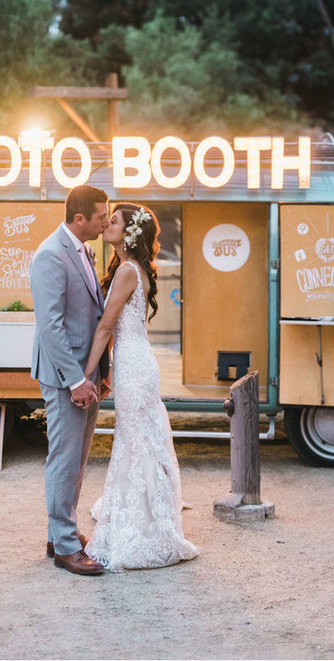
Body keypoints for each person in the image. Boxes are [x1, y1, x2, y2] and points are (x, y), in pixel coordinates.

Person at [83, 203, 200, 571]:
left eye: (113, 221)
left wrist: (86, 375)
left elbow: (105, 328)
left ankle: (146, 526)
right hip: (136, 362)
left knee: (136, 442)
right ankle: (146, 514)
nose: (106, 225)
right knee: (138, 441)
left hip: (133, 367)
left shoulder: (127, 272)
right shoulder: (131, 269)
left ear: (130, 232)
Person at [30, 184, 111, 576]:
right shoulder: (50, 255)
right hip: (67, 378)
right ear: (80, 219)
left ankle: (59, 532)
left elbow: (90, 315)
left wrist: (100, 372)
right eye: (100, 217)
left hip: (87, 374)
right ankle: (64, 548)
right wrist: (76, 380)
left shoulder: (82, 249)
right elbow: (51, 327)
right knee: (64, 460)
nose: (106, 222)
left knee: (77, 459)